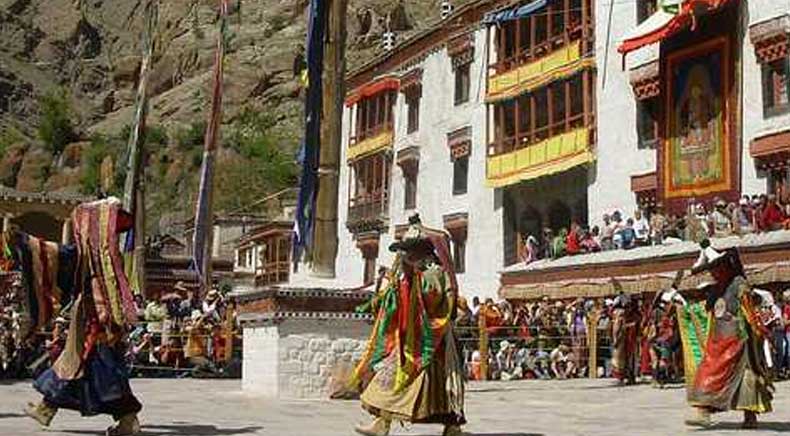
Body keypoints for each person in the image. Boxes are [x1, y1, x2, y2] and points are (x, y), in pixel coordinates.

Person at [23, 198, 142, 436]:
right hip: (90, 324)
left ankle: (128, 420)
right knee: (75, 369)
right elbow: (58, 254)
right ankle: (46, 409)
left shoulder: (105, 263)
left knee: (102, 375)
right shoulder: (87, 258)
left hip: (100, 328)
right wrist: (26, 242)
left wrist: (25, 242)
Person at [348, 214, 465, 436]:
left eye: (410, 250)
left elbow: (432, 298)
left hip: (432, 341)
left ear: (421, 251)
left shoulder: (434, 273)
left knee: (441, 387)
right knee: (392, 379)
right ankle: (381, 423)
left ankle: (453, 426)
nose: (406, 255)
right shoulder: (411, 275)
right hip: (412, 338)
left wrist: (412, 279)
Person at [684, 240, 774, 429]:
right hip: (718, 341)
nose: (713, 273)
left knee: (746, 376)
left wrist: (757, 331)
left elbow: (749, 310)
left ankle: (750, 416)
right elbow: (709, 311)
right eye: (711, 270)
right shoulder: (717, 288)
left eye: (716, 268)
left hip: (738, 340)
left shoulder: (738, 284)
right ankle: (704, 412)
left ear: (725, 267)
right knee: (708, 372)